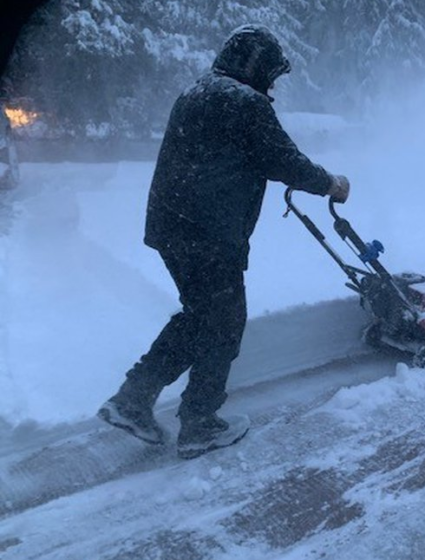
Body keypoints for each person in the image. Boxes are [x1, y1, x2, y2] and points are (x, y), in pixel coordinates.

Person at [97, 24, 350, 460]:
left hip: (171, 228)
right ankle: (198, 423)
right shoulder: (244, 103)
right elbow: (282, 160)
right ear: (256, 68)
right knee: (224, 324)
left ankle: (132, 400)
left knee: (202, 316)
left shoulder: (196, 93)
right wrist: (330, 183)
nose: (272, 84)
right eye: (271, 73)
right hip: (210, 234)